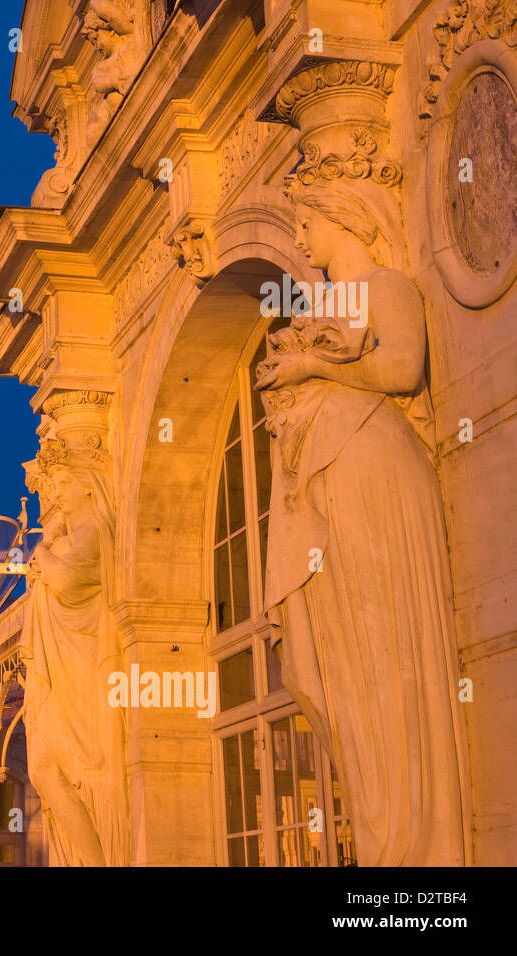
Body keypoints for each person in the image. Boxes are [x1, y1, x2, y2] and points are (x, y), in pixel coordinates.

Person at [253, 173, 466, 865]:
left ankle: (414, 860)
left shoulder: (384, 287)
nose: (298, 238)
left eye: (305, 223)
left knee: (385, 659)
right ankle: (383, 850)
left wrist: (312, 365)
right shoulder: (321, 307)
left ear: (340, 217)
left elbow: (404, 370)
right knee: (322, 676)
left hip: (372, 468)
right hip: (320, 487)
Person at [20, 437, 128, 866]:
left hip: (83, 660)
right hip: (56, 663)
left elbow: (65, 582)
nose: (57, 491)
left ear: (88, 485)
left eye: (64, 481)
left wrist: (44, 550)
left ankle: (101, 858)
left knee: (77, 767)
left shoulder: (97, 531)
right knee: (41, 770)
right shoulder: (70, 534)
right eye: (54, 482)